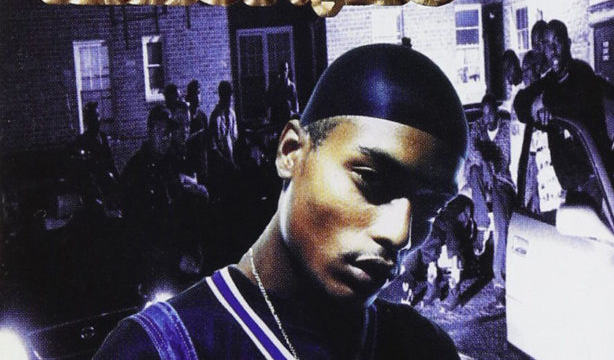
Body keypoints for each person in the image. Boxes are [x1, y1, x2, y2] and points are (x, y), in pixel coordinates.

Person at [96, 44, 467, 359]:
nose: (400, 234)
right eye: (371, 180)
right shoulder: (157, 349)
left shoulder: (423, 347)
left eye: (431, 208)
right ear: (291, 152)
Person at [514, 19, 614, 154]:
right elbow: (519, 102)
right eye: (547, 45)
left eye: (557, 42)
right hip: (565, 164)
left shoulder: (582, 71)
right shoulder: (550, 79)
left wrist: (546, 102)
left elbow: (574, 100)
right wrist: (535, 109)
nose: (552, 50)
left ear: (568, 43)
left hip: (591, 162)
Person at [466, 93, 515, 294]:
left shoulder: (506, 128)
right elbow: (472, 150)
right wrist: (485, 163)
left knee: (502, 222)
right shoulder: (477, 126)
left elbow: (504, 159)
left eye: (490, 114)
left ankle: (499, 277)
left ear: (496, 111)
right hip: (482, 178)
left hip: (501, 180)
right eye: (484, 114)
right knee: (474, 170)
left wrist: (489, 166)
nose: (487, 119)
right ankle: (482, 226)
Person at [207, 80, 239, 201]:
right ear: (221, 95)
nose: (229, 98)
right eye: (226, 95)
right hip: (221, 167)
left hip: (232, 163)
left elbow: (234, 138)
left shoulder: (232, 114)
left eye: (230, 95)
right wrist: (226, 162)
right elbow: (213, 146)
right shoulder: (215, 117)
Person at [185, 79, 209, 183]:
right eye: (195, 94)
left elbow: (207, 142)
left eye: (199, 93)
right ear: (190, 96)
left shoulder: (203, 116)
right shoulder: (186, 117)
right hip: (190, 164)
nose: (198, 97)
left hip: (202, 163)